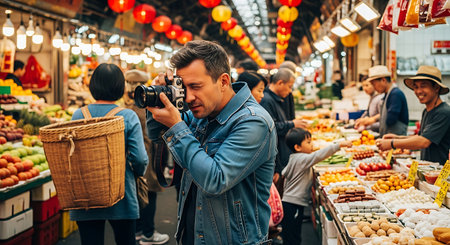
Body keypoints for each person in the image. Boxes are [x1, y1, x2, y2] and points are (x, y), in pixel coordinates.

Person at [146, 40, 276, 244]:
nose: (188, 97)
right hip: (193, 234)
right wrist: (158, 98)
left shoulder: (254, 121)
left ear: (223, 81)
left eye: (195, 86)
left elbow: (216, 180)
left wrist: (177, 126)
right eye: (183, 86)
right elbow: (157, 134)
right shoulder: (201, 113)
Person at [70, 64, 148, 245]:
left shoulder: (78, 115)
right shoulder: (128, 116)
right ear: (120, 88)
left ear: (93, 86)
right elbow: (140, 159)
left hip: (86, 193)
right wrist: (137, 173)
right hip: (121, 191)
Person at [281, 128, 352, 245]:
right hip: (294, 204)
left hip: (289, 202)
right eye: (308, 142)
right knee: (293, 238)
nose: (312, 144)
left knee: (290, 235)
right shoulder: (302, 159)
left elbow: (284, 173)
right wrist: (338, 145)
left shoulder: (293, 158)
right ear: (297, 147)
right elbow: (318, 156)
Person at [123, 70, 170, 245]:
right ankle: (148, 234)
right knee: (149, 196)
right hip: (147, 158)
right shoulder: (144, 108)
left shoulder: (125, 107)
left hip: (130, 159)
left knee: (137, 195)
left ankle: (138, 231)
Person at [376, 66, 450, 165]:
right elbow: (420, 137)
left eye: (423, 86)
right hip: (427, 169)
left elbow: (423, 142)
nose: (418, 91)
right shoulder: (427, 111)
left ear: (436, 88)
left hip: (440, 173)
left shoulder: (443, 112)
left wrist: (392, 143)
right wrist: (398, 138)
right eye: (416, 87)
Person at [260, 68, 308, 183]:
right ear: (280, 83)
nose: (290, 91)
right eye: (290, 86)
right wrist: (292, 124)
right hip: (278, 157)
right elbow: (270, 128)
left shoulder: (277, 99)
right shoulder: (267, 100)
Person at [357, 65, 408, 137]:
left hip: (396, 140)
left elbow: (390, 120)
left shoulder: (395, 94)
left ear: (383, 80)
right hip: (388, 140)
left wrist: (371, 120)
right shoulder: (387, 95)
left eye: (374, 84)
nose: (374, 87)